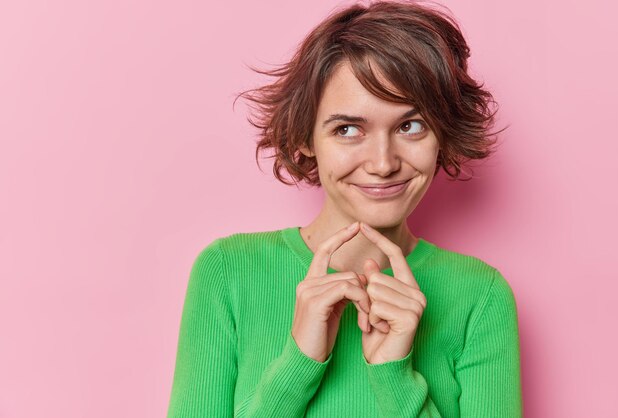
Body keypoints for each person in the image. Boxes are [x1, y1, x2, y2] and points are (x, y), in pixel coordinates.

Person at [166, 0, 523, 417]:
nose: (383, 163)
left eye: (411, 125)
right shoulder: (226, 272)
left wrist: (395, 376)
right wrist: (298, 364)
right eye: (348, 129)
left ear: (442, 134)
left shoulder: (481, 296)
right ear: (304, 138)